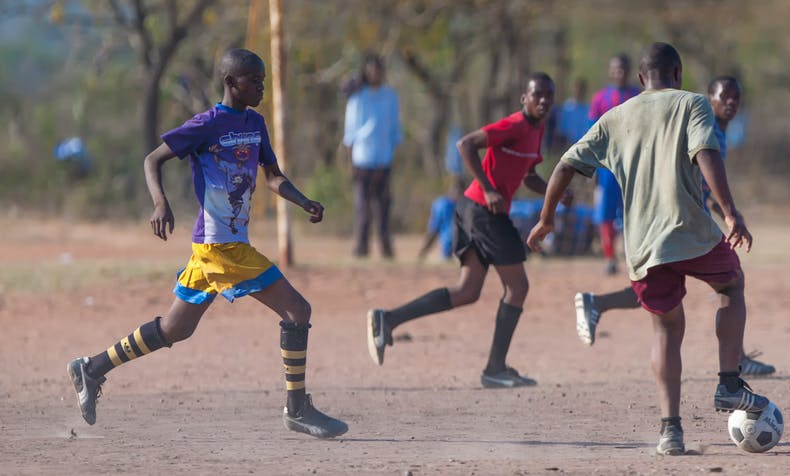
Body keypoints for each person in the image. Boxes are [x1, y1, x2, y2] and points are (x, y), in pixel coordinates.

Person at [65, 48, 347, 438]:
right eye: (255, 80)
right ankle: (297, 408)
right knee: (297, 310)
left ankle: (91, 368)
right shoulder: (206, 124)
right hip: (221, 247)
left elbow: (272, 176)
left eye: (263, 80)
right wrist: (161, 203)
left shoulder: (255, 123)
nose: (262, 86)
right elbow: (152, 160)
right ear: (232, 83)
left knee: (174, 328)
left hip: (213, 246)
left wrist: (303, 201)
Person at [528, 43, 770, 457]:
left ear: (641, 79)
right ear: (677, 73)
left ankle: (670, 431)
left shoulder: (614, 117)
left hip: (641, 244)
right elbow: (706, 153)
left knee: (665, 328)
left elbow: (565, 165)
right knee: (730, 286)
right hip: (690, 230)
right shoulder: (692, 104)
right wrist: (730, 212)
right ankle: (729, 381)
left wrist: (547, 219)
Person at [572, 76, 777, 377]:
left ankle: (597, 303)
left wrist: (729, 213)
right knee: (725, 282)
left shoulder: (715, 130)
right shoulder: (707, 130)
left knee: (661, 285)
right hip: (678, 221)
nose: (731, 102)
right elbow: (703, 180)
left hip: (678, 221)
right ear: (710, 98)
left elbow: (706, 189)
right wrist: (730, 214)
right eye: (725, 96)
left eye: (736, 97)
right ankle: (735, 363)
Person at [366, 74, 559, 389]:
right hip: (483, 211)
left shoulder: (536, 133)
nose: (544, 101)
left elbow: (529, 175)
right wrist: (488, 188)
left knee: (467, 292)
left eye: (549, 96)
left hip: (473, 211)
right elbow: (465, 144)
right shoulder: (514, 125)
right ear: (523, 98)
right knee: (518, 286)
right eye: (537, 95)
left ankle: (387, 319)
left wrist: (554, 190)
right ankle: (495, 368)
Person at [343, 52, 402, 259]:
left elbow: (395, 128)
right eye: (371, 69)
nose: (374, 73)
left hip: (384, 157)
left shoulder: (390, 96)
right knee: (363, 206)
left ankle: (386, 248)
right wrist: (349, 160)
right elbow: (349, 132)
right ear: (366, 71)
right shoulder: (358, 96)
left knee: (384, 206)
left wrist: (393, 154)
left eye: (377, 69)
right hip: (363, 158)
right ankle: (361, 248)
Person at [588, 54, 641, 275]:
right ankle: (610, 257)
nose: (619, 73)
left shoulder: (639, 97)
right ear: (610, 72)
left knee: (634, 210)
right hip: (608, 168)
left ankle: (634, 255)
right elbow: (592, 134)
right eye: (615, 69)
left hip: (634, 165)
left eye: (623, 69)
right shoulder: (600, 98)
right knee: (606, 212)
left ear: (629, 72)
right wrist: (592, 165)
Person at [417, 177, 463, 262]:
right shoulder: (442, 204)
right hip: (447, 239)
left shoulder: (462, 204)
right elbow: (434, 228)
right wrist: (424, 250)